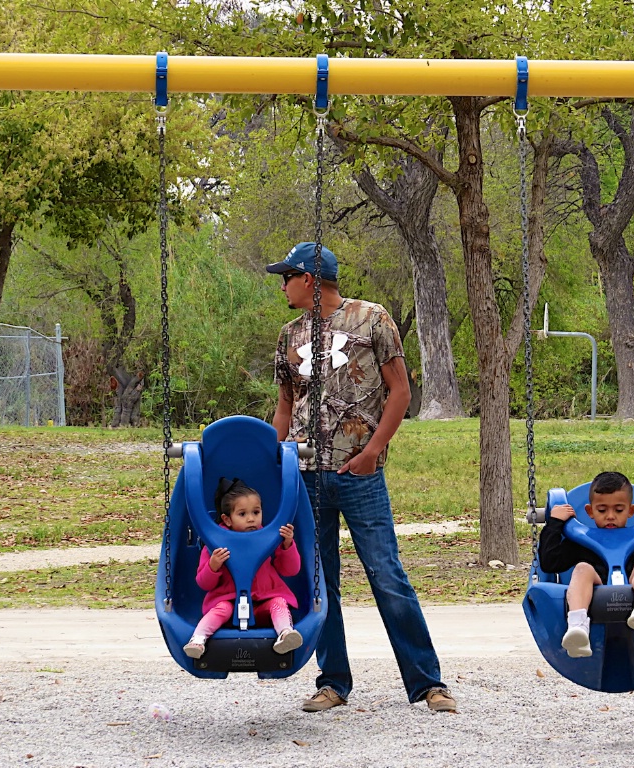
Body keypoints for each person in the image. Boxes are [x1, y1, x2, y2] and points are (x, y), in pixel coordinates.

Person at [268, 241, 456, 714]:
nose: (282, 285)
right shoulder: (289, 335)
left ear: (309, 279)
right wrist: (275, 463)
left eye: (286, 276)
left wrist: (373, 451)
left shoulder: (372, 319)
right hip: (306, 476)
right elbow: (286, 405)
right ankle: (332, 682)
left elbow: (401, 391)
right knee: (318, 579)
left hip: (359, 472)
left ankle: (428, 683)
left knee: (386, 575)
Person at [538, 471, 634, 658]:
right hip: (593, 594)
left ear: (631, 511)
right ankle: (577, 627)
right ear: (589, 511)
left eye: (619, 510)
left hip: (633, 588)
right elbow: (549, 563)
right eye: (601, 510)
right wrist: (554, 524)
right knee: (583, 569)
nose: (610, 516)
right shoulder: (580, 541)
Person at [183, 477, 304, 659]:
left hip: (263, 603)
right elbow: (204, 583)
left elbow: (290, 570)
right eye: (242, 514)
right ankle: (198, 640)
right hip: (230, 604)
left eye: (256, 512)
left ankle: (285, 634)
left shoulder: (268, 537)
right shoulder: (216, 542)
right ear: (227, 519)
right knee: (221, 608)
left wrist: (287, 545)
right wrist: (213, 566)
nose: (251, 519)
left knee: (278, 602)